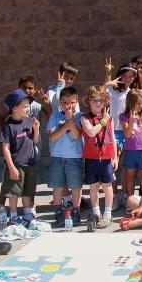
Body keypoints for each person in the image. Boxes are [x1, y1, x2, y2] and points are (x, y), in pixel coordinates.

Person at [0, 89, 40, 226]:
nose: (28, 109)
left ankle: (27, 214)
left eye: (28, 105)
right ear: (15, 108)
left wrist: (36, 128)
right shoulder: (8, 127)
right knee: (14, 192)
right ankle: (13, 215)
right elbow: (5, 148)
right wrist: (11, 167)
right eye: (25, 106)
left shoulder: (29, 122)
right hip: (16, 164)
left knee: (28, 190)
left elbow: (35, 141)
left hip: (30, 163)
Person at [80, 86, 117, 229]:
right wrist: (103, 120)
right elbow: (90, 132)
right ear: (89, 101)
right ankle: (96, 211)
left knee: (108, 186)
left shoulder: (109, 118)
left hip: (106, 157)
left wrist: (115, 158)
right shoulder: (85, 118)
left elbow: (112, 138)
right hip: (91, 158)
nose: (98, 103)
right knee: (94, 186)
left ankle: (108, 213)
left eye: (101, 100)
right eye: (95, 100)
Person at [47, 87, 84, 228]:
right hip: (57, 156)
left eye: (72, 102)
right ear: (60, 103)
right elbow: (52, 136)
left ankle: (76, 210)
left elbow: (76, 135)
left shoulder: (80, 117)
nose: (68, 105)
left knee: (75, 186)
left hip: (74, 157)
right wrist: (65, 126)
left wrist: (70, 120)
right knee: (57, 185)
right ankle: (58, 210)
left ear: (77, 102)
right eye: (65, 102)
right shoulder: (55, 116)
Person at [104, 60, 138, 209]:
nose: (128, 79)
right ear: (121, 76)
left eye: (131, 76)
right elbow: (100, 92)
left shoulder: (133, 92)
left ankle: (124, 195)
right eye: (126, 75)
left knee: (126, 166)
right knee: (113, 165)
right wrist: (108, 76)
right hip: (114, 131)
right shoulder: (112, 90)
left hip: (129, 131)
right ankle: (114, 195)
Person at [120, 89, 142, 199]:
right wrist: (131, 121)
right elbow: (127, 134)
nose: (141, 105)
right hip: (130, 151)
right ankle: (130, 202)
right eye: (138, 103)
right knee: (130, 178)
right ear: (131, 102)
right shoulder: (124, 116)